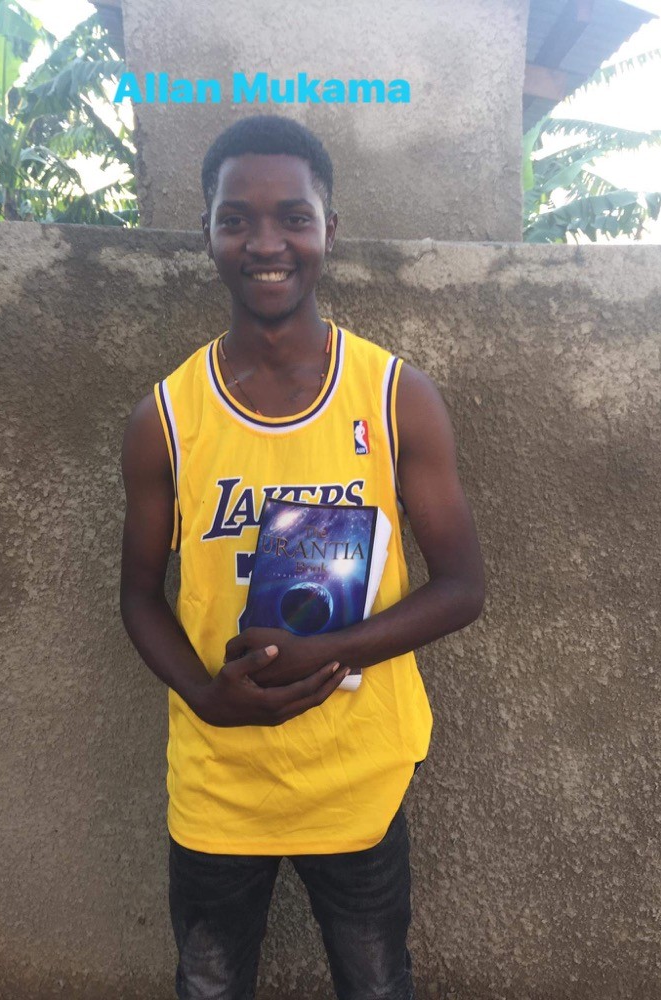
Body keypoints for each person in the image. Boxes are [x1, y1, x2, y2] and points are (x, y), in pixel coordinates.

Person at [119, 114, 484, 1000]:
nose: (265, 242)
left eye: (293, 217)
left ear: (329, 230)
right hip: (219, 776)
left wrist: (331, 651)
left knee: (376, 984)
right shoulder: (165, 418)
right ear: (207, 233)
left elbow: (464, 586)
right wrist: (208, 696)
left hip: (357, 775)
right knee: (208, 985)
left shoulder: (395, 397)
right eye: (235, 219)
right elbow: (138, 597)